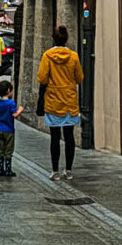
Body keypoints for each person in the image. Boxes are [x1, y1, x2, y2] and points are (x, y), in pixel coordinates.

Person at [37, 24, 84, 182]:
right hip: (69, 100)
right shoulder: (74, 56)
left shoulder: (47, 56)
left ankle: (55, 170)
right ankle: (68, 170)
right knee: (69, 136)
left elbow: (42, 78)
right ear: (66, 39)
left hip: (53, 100)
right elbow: (79, 78)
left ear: (53, 39)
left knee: (55, 137)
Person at [0, 79, 24, 177]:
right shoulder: (11, 103)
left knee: (0, 150)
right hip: (9, 130)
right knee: (8, 150)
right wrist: (20, 109)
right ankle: (7, 170)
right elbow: (14, 115)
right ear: (8, 91)